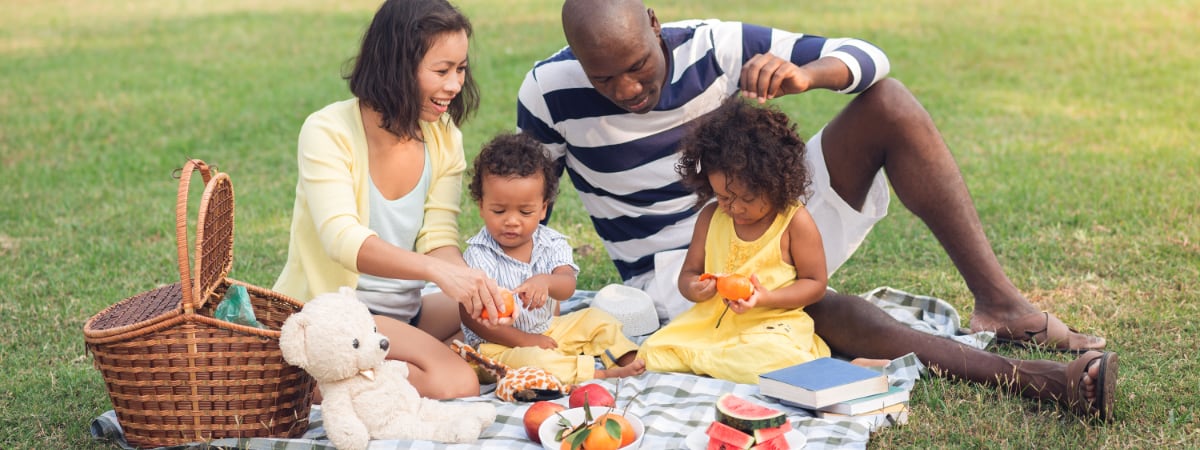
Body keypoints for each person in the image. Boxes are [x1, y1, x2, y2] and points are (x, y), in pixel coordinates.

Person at [516, 0, 1117, 420]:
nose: (625, 89)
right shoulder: (546, 92)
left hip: (768, 215)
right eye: (603, 76)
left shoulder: (715, 44)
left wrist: (807, 75)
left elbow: (869, 57)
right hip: (681, 276)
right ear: (574, 55)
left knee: (889, 102)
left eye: (637, 65)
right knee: (828, 309)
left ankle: (1002, 306)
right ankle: (1034, 380)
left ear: (655, 25)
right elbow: (530, 204)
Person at [273, 0, 505, 399]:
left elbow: (439, 236)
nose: (454, 85)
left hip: (401, 315)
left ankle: (367, 371)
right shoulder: (328, 131)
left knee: (490, 311)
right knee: (458, 381)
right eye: (441, 70)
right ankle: (313, 379)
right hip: (337, 318)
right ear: (397, 65)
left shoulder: (444, 136)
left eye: (461, 69)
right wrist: (436, 273)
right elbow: (342, 239)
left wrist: (467, 282)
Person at [638, 98, 833, 384]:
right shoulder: (711, 217)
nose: (735, 208)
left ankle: (708, 363)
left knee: (777, 358)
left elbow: (816, 284)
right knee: (650, 353)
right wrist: (695, 288)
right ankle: (716, 362)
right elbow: (688, 274)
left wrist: (765, 298)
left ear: (776, 183)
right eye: (725, 197)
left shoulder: (793, 221)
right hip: (710, 325)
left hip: (770, 326)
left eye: (748, 199)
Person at [459, 132, 646, 384]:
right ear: (481, 206)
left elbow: (567, 285)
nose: (512, 221)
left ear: (543, 208)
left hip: (549, 329)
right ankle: (597, 373)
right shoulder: (478, 255)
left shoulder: (551, 242)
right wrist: (526, 341)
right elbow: (470, 316)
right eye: (499, 210)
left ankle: (626, 357)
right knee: (536, 363)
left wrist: (546, 282)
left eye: (526, 211)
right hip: (499, 347)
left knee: (596, 319)